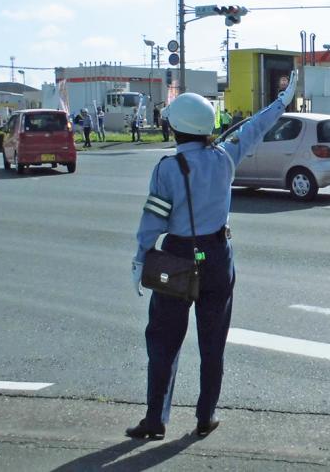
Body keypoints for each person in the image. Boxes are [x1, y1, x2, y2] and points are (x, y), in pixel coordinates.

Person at [127, 71, 298, 441]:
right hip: (219, 255)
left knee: (163, 341)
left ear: (175, 130)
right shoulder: (225, 158)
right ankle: (206, 416)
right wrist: (281, 102)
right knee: (212, 342)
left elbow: (152, 221)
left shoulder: (167, 169)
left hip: (177, 258)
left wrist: (141, 257)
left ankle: (155, 419)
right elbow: (253, 128)